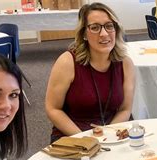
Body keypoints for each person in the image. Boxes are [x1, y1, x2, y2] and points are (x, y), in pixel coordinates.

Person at [45, 2, 135, 143]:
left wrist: (108, 136)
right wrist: (85, 139)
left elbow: (125, 109)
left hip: (113, 133)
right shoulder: (67, 62)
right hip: (74, 134)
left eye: (109, 26)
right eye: (95, 28)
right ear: (84, 34)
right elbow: (53, 109)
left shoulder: (126, 63)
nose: (104, 33)